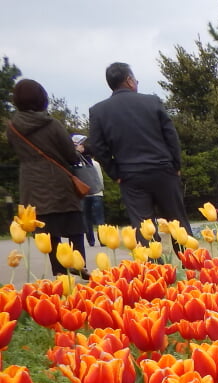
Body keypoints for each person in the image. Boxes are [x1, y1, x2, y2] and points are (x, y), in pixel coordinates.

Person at [87, 62, 193, 249]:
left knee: (143, 226)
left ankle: (154, 271)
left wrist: (115, 173)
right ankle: (191, 266)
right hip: (163, 170)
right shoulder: (152, 101)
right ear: (129, 80)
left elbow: (98, 147)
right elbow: (171, 136)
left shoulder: (98, 111)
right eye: (135, 78)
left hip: (130, 174)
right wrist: (176, 165)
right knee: (177, 221)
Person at [6, 79, 88, 278]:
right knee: (73, 226)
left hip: (31, 185)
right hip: (58, 181)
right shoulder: (52, 124)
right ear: (42, 98)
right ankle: (79, 265)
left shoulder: (13, 128)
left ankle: (59, 273)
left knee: (47, 232)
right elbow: (70, 154)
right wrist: (77, 152)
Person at [74, 135, 106, 247]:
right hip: (97, 193)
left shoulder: (76, 165)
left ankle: (91, 241)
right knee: (100, 218)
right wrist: (100, 189)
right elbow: (100, 179)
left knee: (86, 218)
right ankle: (103, 240)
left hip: (83, 194)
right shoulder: (95, 164)